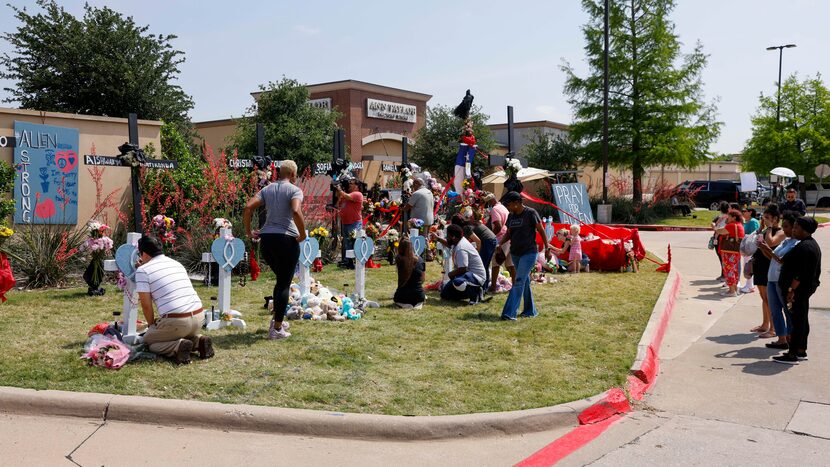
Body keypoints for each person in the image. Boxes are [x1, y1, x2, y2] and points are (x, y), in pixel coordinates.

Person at [243, 159, 306, 340]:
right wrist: (302, 235)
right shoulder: (295, 190)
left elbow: (248, 208)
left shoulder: (267, 189)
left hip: (267, 240)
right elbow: (295, 211)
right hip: (286, 239)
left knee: (280, 281)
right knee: (284, 283)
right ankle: (277, 329)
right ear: (293, 175)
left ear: (279, 172)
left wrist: (249, 232)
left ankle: (276, 320)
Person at [135, 235, 213, 365]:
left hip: (178, 321)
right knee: (176, 332)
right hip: (199, 318)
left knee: (149, 340)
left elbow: (146, 304)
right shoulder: (176, 263)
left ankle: (178, 347)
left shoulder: (143, 271)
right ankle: (199, 341)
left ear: (144, 253)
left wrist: (151, 326)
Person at [773, 217, 822, 364]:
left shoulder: (805, 248)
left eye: (796, 228)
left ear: (805, 230)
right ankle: (801, 350)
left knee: (797, 321)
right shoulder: (808, 244)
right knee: (801, 319)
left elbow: (800, 273)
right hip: (803, 289)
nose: (793, 230)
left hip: (799, 290)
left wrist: (791, 290)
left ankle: (792, 353)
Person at [499, 191, 551, 320]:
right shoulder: (511, 216)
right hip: (515, 253)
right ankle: (530, 311)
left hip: (529, 253)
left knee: (519, 281)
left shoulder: (531, 213)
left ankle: (509, 313)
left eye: (509, 205)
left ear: (517, 203)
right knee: (525, 282)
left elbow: (541, 231)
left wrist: (547, 247)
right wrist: (499, 244)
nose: (508, 207)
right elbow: (509, 233)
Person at [757, 212, 800, 349]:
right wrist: (763, 249)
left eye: (786, 226)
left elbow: (782, 261)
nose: (784, 229)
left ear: (795, 227)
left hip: (782, 281)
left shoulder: (796, 244)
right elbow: (773, 257)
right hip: (772, 279)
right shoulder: (785, 241)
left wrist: (767, 248)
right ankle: (781, 339)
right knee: (775, 311)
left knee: (788, 312)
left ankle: (791, 340)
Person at [750, 204, 784, 337]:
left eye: (768, 218)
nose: (765, 220)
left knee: (770, 300)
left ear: (776, 218)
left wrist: (769, 227)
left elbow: (770, 243)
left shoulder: (781, 231)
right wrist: (761, 228)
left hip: (769, 268)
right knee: (764, 298)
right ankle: (765, 325)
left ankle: (773, 329)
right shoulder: (766, 230)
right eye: (764, 217)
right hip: (760, 266)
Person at [432, 224, 488, 304]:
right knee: (444, 294)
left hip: (476, 277)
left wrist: (451, 274)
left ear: (453, 237)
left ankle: (475, 292)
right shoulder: (458, 241)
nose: (446, 237)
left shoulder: (461, 248)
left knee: (458, 282)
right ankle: (470, 291)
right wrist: (438, 239)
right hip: (467, 275)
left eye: (448, 235)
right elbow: (449, 244)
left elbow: (463, 269)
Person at [484, 193, 516, 292]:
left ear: (490, 202)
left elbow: (498, 226)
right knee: (510, 264)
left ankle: (493, 286)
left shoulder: (494, 210)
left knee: (495, 263)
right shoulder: (502, 207)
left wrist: (491, 236)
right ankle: (515, 285)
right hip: (509, 237)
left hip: (501, 238)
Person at [464, 207, 498, 287]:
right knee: (485, 265)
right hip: (492, 239)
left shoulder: (469, 226)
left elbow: (476, 241)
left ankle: (482, 287)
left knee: (482, 265)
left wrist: (478, 252)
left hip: (488, 241)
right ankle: (484, 286)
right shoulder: (475, 223)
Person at [336, 177, 364, 269]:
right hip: (345, 222)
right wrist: (337, 189)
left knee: (354, 242)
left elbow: (347, 196)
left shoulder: (357, 194)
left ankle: (355, 261)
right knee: (347, 243)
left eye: (351, 183)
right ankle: (349, 262)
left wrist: (339, 189)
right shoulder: (346, 194)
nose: (349, 185)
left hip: (354, 222)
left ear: (357, 186)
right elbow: (338, 202)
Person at [716, 209, 745, 297]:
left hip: (729, 252)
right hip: (736, 252)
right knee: (734, 270)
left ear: (734, 217)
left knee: (729, 270)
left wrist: (715, 226)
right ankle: (734, 289)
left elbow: (719, 231)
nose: (727, 218)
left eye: (729, 217)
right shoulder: (739, 225)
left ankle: (731, 291)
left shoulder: (731, 225)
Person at [393, 237, 425, 309]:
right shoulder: (421, 260)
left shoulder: (398, 259)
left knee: (397, 298)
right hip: (418, 295)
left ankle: (405, 305)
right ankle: (418, 303)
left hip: (402, 296)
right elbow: (423, 279)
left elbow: (397, 254)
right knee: (420, 297)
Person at [739, 208, 761, 294]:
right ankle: (749, 285)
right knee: (747, 265)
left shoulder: (753, 222)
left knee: (749, 266)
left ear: (750, 212)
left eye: (745, 211)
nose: (743, 213)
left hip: (750, 247)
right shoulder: (748, 221)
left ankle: (749, 286)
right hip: (747, 247)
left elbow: (754, 234)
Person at [711, 201, 730, 281]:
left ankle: (724, 275)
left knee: (721, 257)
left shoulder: (720, 217)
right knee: (723, 257)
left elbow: (712, 223)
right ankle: (724, 274)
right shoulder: (728, 217)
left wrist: (715, 227)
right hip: (722, 238)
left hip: (719, 238)